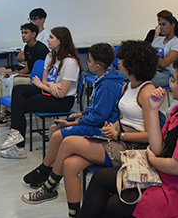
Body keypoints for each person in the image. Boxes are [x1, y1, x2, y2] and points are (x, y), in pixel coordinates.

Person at [20, 40, 158, 218]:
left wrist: (117, 133)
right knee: (69, 165)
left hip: (130, 149)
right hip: (117, 138)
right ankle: (74, 214)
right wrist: (113, 128)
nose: (118, 62)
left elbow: (151, 136)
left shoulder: (146, 92)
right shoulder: (128, 86)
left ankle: (49, 186)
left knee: (68, 141)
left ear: (131, 64)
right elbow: (121, 118)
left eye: (121, 60)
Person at [80, 54, 178, 218]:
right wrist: (153, 109)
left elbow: (177, 167)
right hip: (167, 177)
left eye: (175, 81)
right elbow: (157, 148)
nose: (171, 83)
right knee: (100, 178)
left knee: (113, 205)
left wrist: (152, 160)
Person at [22, 43, 124, 188]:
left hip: (101, 128)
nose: (87, 63)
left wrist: (72, 124)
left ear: (98, 66)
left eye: (89, 60)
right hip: (94, 121)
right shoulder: (103, 78)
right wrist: (81, 114)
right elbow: (95, 107)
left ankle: (44, 169)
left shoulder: (108, 86)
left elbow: (98, 117)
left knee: (58, 135)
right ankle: (49, 169)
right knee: (53, 129)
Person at [0, 27, 82, 159]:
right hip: (49, 91)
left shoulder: (70, 62)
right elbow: (44, 80)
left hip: (63, 101)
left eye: (51, 37)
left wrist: (44, 86)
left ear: (60, 41)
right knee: (18, 90)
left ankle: (19, 147)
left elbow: (61, 94)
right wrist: (52, 85)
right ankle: (15, 132)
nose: (47, 40)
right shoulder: (50, 56)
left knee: (20, 104)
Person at [0, 8, 50, 119]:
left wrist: (18, 75)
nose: (23, 35)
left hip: (37, 78)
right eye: (22, 33)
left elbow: (37, 72)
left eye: (26, 33)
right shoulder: (29, 45)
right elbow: (20, 59)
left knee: (3, 81)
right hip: (26, 70)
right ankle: (0, 108)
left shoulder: (42, 45)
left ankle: (1, 114)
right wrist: (15, 74)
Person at [151, 15, 178, 87]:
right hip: (156, 70)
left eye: (164, 24)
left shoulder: (177, 43)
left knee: (140, 77)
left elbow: (164, 64)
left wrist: (153, 57)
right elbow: (148, 57)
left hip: (169, 75)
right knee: (133, 72)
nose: (161, 27)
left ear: (172, 25)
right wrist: (160, 58)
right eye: (159, 25)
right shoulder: (158, 40)